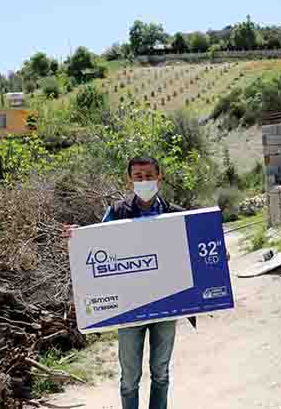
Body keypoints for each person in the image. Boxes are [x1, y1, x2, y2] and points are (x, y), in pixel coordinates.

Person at [66, 156, 195, 409]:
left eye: (149, 176)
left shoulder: (176, 214)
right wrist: (76, 237)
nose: (144, 181)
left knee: (161, 373)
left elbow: (196, 249)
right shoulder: (117, 212)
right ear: (129, 180)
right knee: (129, 379)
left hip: (167, 306)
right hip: (130, 310)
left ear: (159, 177)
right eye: (138, 176)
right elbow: (95, 243)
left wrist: (219, 256)